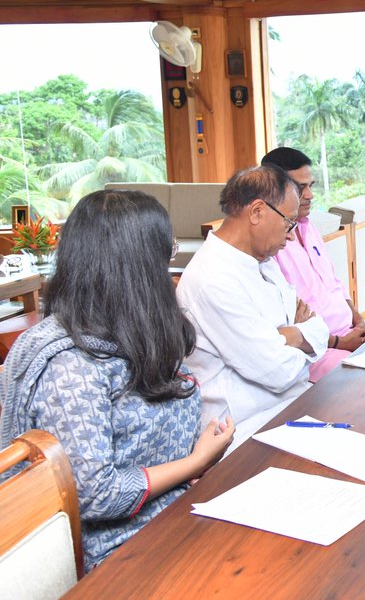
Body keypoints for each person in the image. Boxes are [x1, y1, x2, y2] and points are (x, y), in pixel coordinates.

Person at [0, 190, 234, 572]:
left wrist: (194, 456)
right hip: (118, 556)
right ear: (140, 266)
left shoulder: (130, 330)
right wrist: (194, 463)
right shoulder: (71, 366)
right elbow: (95, 494)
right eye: (167, 252)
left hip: (174, 520)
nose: (169, 267)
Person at [176, 164, 329, 451]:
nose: (292, 235)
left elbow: (318, 324)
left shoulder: (264, 260)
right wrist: (300, 337)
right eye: (289, 223)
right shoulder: (213, 279)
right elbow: (277, 373)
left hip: (293, 405)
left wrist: (288, 336)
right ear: (257, 211)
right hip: (245, 430)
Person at [263, 147, 365, 382]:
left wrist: (358, 319)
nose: (310, 195)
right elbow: (290, 321)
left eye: (310, 186)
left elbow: (334, 284)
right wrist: (340, 343)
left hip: (350, 335)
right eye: (300, 188)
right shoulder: (270, 244)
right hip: (318, 350)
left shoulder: (308, 226)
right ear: (272, 190)